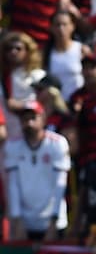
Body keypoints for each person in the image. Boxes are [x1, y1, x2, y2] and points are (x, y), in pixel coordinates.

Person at [4, 99, 70, 241]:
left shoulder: (57, 144)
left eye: (33, 118)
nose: (29, 123)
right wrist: (17, 219)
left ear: (43, 118)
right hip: (25, 222)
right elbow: (13, 185)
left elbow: (60, 185)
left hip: (53, 220)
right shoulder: (12, 145)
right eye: (25, 119)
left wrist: (54, 221)